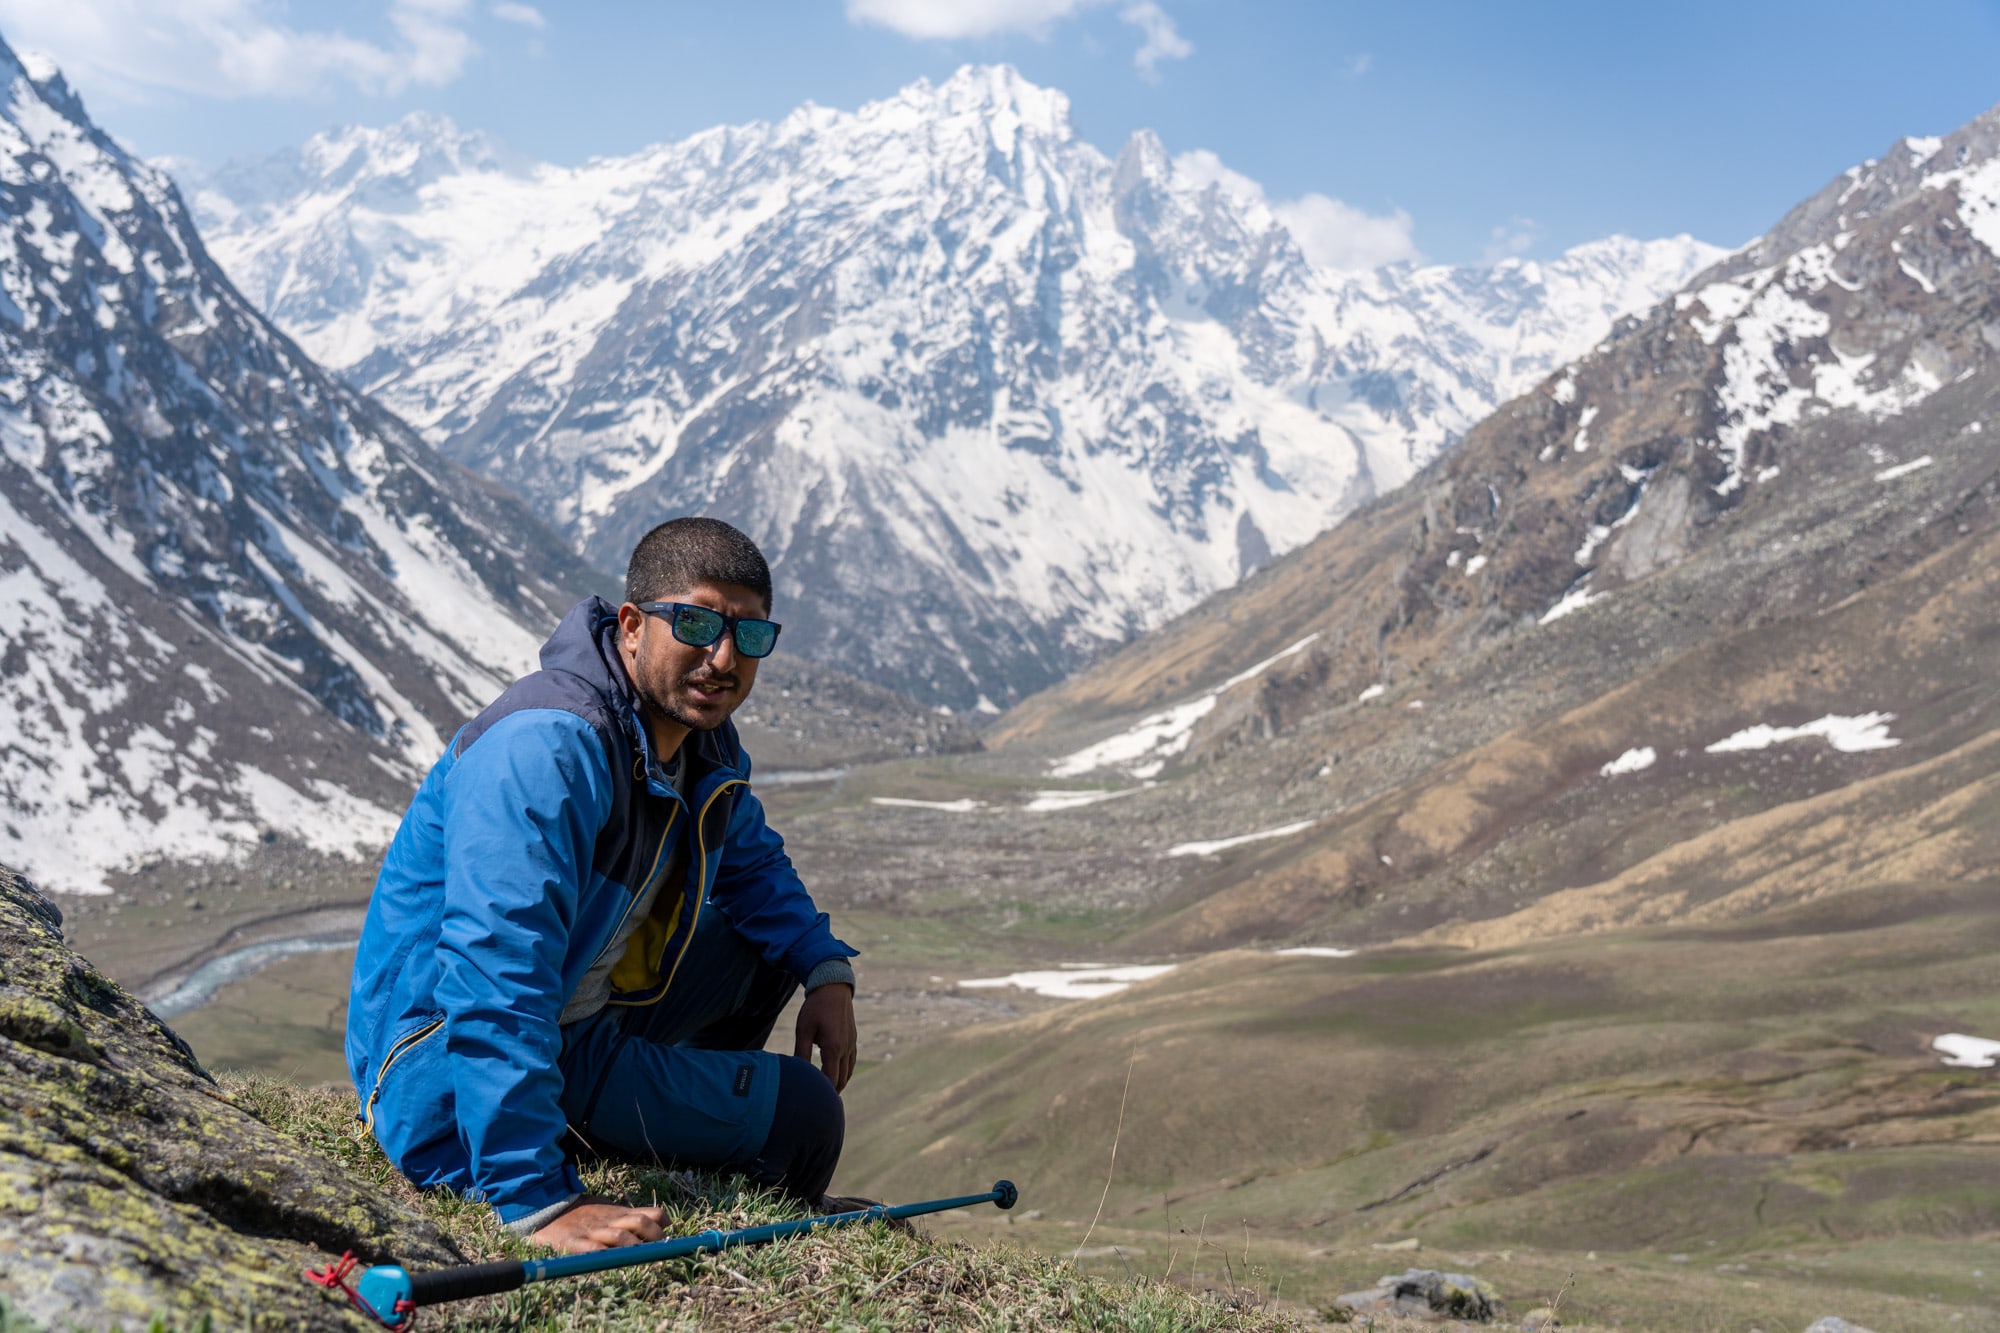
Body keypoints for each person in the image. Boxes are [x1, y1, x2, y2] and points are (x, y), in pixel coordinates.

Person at [345, 517, 859, 1254]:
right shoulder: (547, 747)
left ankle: (645, 1134)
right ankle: (572, 1146)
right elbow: (496, 972)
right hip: (439, 1070)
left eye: (748, 635)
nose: (722, 657)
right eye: (696, 623)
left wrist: (825, 971)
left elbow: (751, 865)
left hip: (576, 1026)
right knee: (807, 1116)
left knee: (762, 947)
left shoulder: (698, 738)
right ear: (630, 626)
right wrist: (536, 1202)